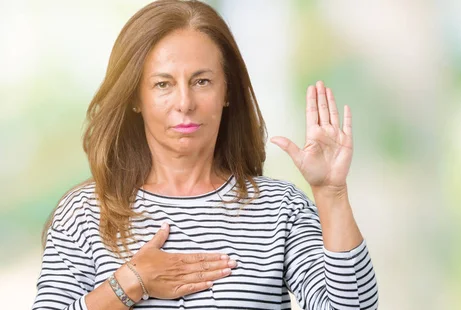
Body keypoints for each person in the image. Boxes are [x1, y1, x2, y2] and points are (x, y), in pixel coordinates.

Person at [31, 0, 378, 309]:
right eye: (163, 84)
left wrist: (331, 195)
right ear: (136, 98)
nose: (184, 103)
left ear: (227, 90)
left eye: (202, 81)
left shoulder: (280, 208)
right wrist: (129, 283)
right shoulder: (86, 212)